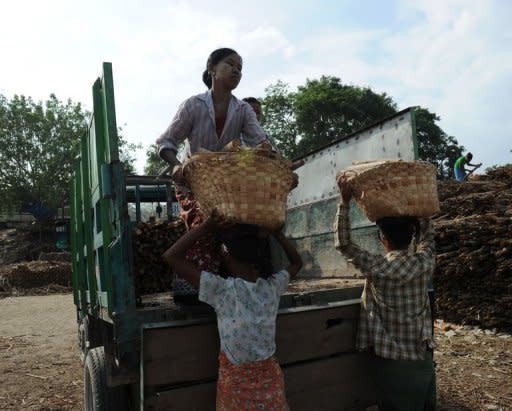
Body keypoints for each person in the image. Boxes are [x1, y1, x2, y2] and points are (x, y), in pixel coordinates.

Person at [156, 48, 272, 301]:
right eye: (230, 64)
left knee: (242, 229)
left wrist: (278, 165)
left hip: (227, 186)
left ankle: (239, 286)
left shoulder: (243, 110)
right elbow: (166, 142)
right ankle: (190, 291)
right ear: (212, 69)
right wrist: (176, 166)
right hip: (192, 183)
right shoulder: (193, 105)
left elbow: (262, 143)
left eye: (240, 68)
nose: (236, 70)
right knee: (203, 230)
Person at [162, 212, 303, 410]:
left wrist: (205, 227)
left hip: (235, 389)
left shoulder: (221, 290)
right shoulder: (271, 287)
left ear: (227, 256)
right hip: (271, 384)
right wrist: (277, 235)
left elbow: (171, 256)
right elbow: (297, 263)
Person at [334, 175, 436, 411]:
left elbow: (344, 244)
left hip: (391, 365)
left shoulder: (378, 268)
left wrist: (345, 202)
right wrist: (419, 208)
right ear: (412, 236)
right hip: (423, 362)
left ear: (382, 239)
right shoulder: (425, 263)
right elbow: (429, 237)